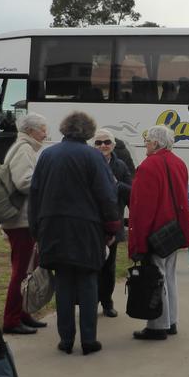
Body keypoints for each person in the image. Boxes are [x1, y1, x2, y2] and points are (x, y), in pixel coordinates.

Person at [28, 111, 120, 356]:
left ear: (65, 129)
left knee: (64, 282)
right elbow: (107, 196)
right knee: (89, 281)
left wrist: (36, 230)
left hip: (52, 227)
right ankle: (89, 339)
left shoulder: (47, 155)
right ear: (88, 132)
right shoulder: (94, 157)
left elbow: (34, 194)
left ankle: (66, 339)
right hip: (86, 229)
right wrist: (112, 228)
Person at [127, 124, 189, 341]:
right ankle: (171, 321)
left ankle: (158, 326)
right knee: (169, 277)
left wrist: (138, 240)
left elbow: (142, 209)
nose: (145, 144)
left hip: (156, 232)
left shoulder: (149, 166)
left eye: (147, 140)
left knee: (156, 278)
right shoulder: (179, 163)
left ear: (156, 143)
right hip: (173, 232)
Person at [0, 113, 49, 335]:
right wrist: (47, 180)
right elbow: (24, 181)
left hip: (23, 220)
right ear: (31, 131)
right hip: (21, 221)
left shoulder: (25, 147)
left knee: (27, 269)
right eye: (43, 129)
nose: (45, 134)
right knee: (21, 271)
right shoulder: (24, 149)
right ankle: (11, 319)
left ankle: (23, 313)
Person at [93, 127, 133, 318]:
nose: (103, 146)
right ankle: (90, 302)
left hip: (113, 222)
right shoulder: (88, 163)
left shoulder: (121, 166)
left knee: (109, 267)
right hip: (91, 224)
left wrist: (117, 184)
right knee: (92, 266)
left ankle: (107, 303)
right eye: (99, 142)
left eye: (107, 142)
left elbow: (132, 193)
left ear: (114, 145)